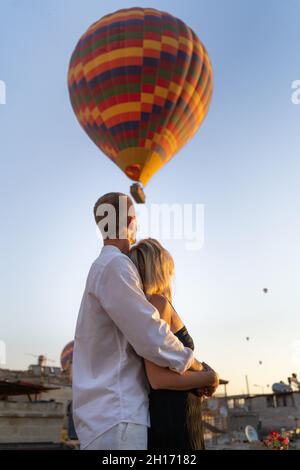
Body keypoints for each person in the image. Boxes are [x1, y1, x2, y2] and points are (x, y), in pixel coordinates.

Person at [72, 192, 209, 451]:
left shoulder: (102, 267)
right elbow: (151, 336)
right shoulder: (115, 266)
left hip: (106, 416)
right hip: (118, 414)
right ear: (130, 220)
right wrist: (199, 369)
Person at [129, 238, 219, 450]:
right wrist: (209, 377)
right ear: (159, 268)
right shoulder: (157, 303)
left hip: (179, 415)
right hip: (175, 418)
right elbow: (158, 379)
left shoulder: (148, 306)